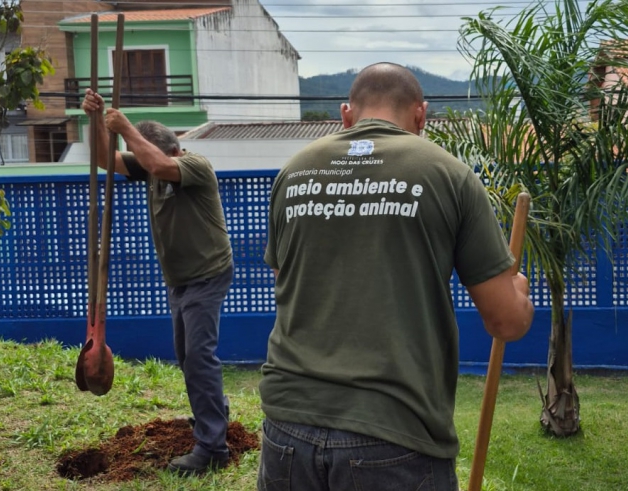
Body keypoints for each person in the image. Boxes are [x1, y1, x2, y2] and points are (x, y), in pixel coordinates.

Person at [258, 63, 535, 490]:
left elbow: (286, 279)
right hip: (393, 434)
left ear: (345, 115)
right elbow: (506, 322)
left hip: (288, 425)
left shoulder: (294, 172)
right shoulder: (448, 174)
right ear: (421, 117)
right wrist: (518, 293)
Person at [81, 89, 234, 475]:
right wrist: (97, 120)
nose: (149, 168)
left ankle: (213, 448)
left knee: (199, 357)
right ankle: (214, 419)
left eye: (153, 157)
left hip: (208, 272)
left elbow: (162, 166)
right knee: (187, 356)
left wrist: (127, 127)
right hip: (179, 279)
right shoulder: (150, 167)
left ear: (173, 150)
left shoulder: (194, 165)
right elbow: (104, 158)